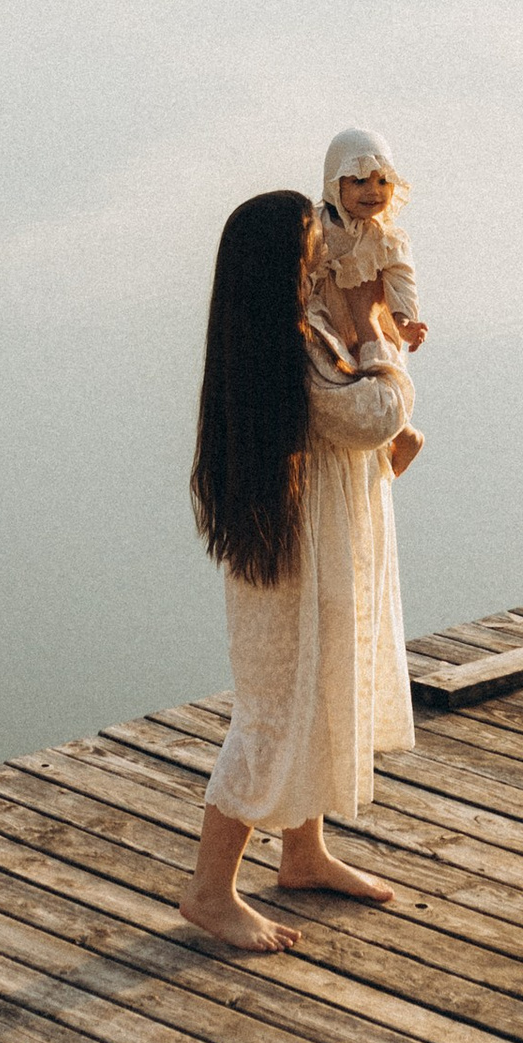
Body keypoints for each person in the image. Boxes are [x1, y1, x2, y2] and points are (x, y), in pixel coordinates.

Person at [178, 186, 425, 955]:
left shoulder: (292, 329)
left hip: (310, 546)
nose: (328, 248)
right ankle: (209, 891)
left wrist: (366, 304)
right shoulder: (287, 347)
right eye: (315, 242)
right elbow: (370, 415)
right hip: (292, 560)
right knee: (275, 712)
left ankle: (304, 853)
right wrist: (375, 334)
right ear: (286, 266)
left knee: (320, 688)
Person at [316, 125, 429, 368]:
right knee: (325, 360)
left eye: (383, 181)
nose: (373, 191)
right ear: (335, 184)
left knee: (380, 364)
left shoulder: (387, 237)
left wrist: (404, 320)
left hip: (376, 324)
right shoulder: (317, 227)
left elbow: (401, 278)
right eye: (359, 181)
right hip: (326, 322)